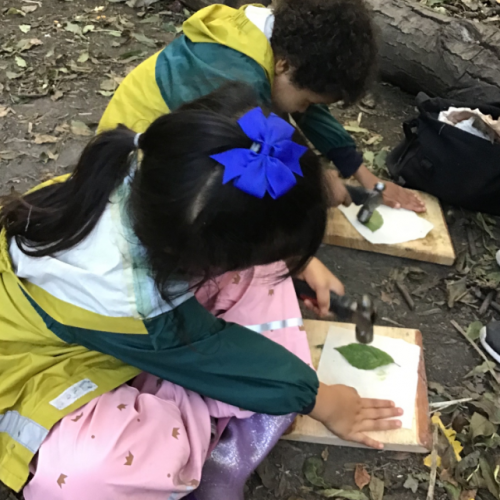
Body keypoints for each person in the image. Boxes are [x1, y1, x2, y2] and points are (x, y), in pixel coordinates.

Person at [0, 84, 402, 500]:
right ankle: (200, 416)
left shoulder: (154, 181)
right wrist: (320, 400)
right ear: (188, 257)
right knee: (90, 475)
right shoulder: (141, 306)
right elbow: (218, 356)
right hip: (40, 375)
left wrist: (298, 263)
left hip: (102, 325)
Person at [97, 0, 425, 212]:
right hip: (131, 167)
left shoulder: (272, 41)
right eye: (306, 101)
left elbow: (310, 112)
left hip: (169, 135)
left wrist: (363, 175)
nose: (303, 111)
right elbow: (255, 162)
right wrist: (314, 186)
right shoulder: (237, 79)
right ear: (284, 65)